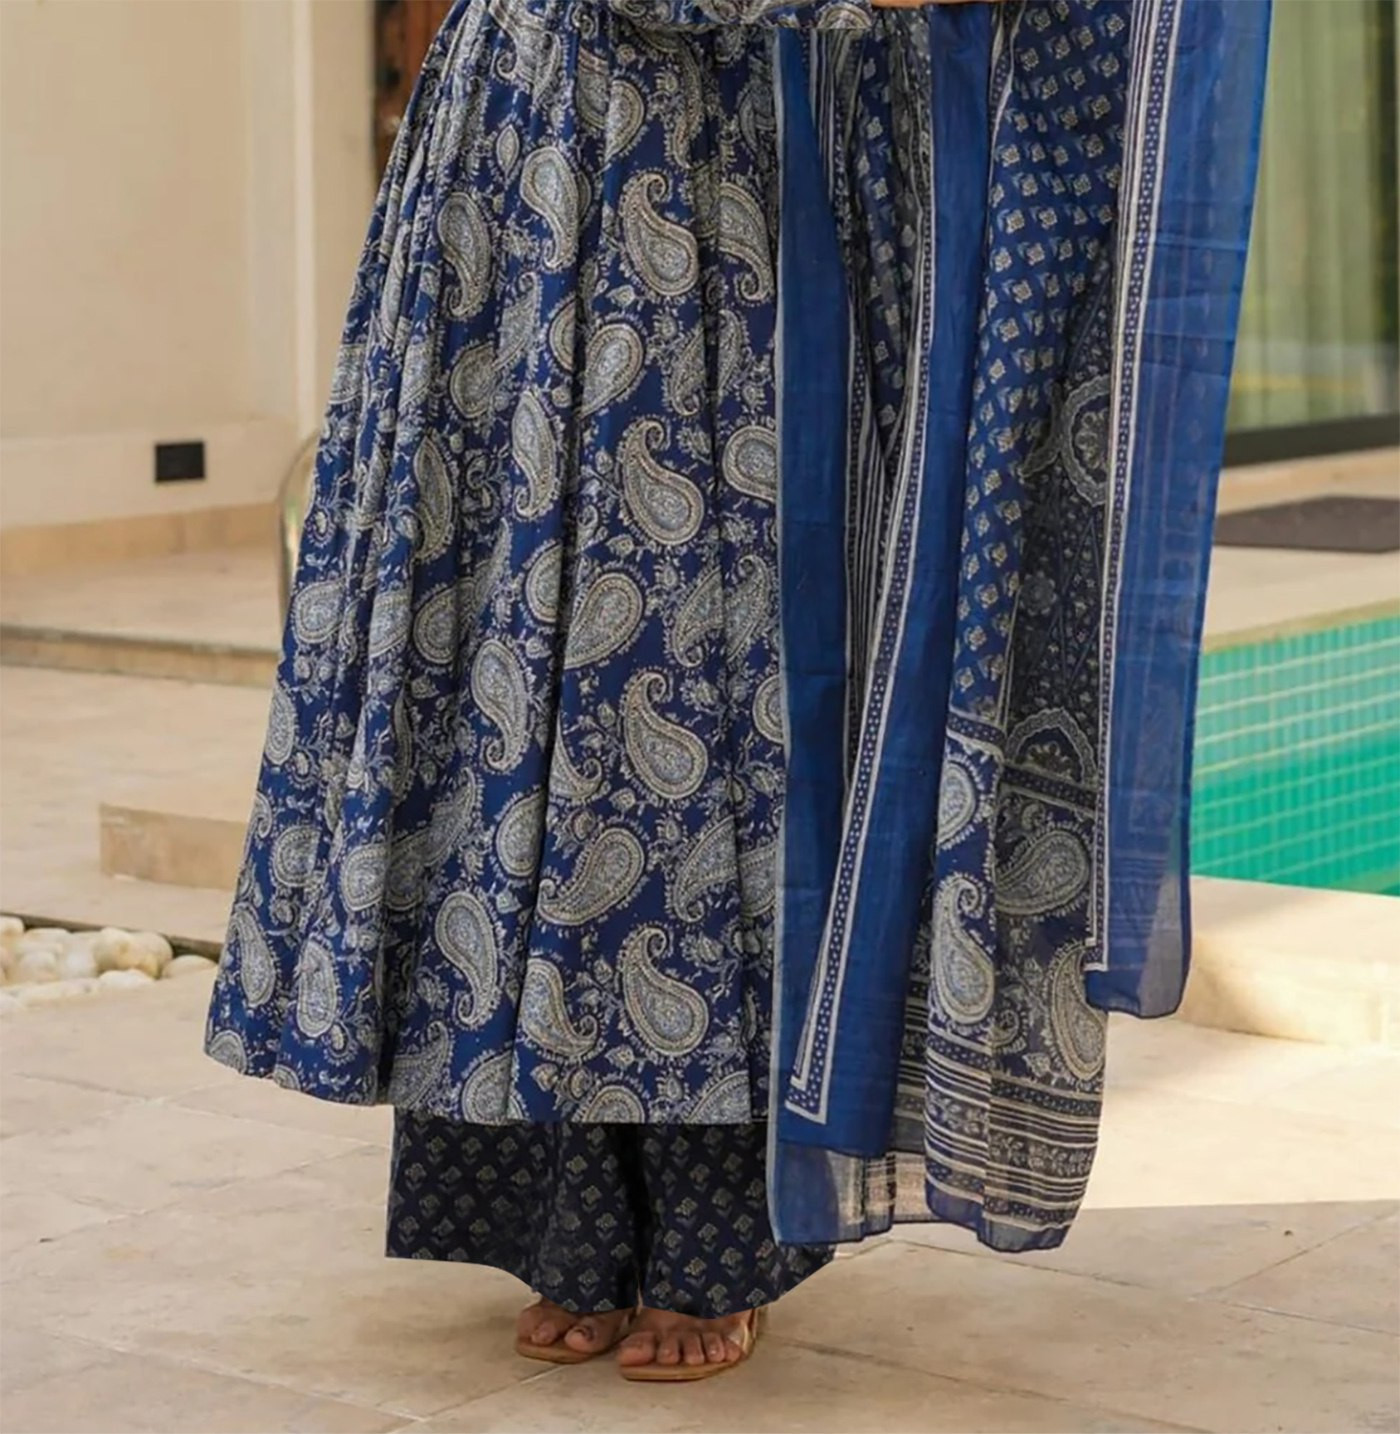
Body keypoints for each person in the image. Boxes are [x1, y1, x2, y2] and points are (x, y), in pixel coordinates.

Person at [205, 0, 1272, 1380]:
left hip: (721, 179)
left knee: (697, 693)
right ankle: (566, 1222)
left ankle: (713, 1242)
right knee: (529, 681)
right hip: (545, 171)